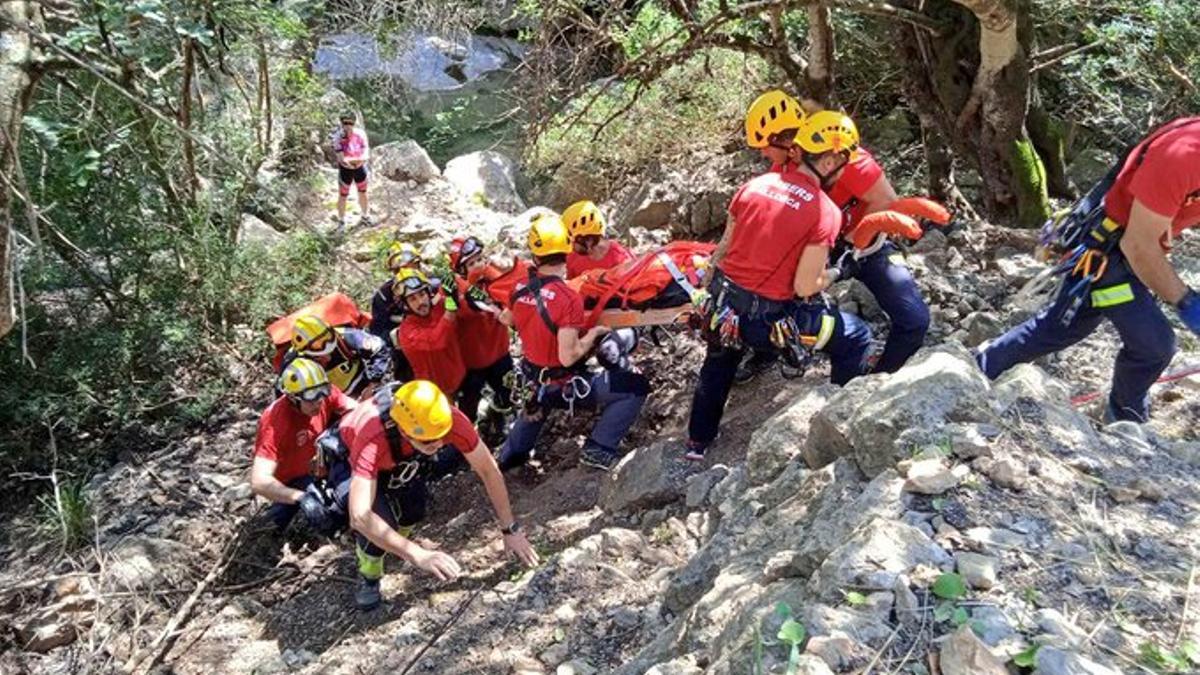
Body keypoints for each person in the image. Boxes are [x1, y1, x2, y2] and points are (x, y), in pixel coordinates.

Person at [976, 117, 1200, 422]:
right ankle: (1126, 420)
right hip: (1108, 255)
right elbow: (1139, 247)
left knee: (1058, 329)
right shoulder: (1183, 157)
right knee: (1155, 344)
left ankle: (978, 366)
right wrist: (1186, 302)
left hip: (1127, 248)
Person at [684, 111, 873, 461]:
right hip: (767, 324)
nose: (845, 172)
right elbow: (805, 287)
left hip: (723, 308)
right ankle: (837, 431)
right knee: (856, 335)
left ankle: (698, 442)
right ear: (830, 159)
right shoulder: (825, 212)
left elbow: (722, 253)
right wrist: (839, 273)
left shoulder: (752, 187)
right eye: (844, 164)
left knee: (719, 359)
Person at [737, 94, 931, 382]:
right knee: (773, 293)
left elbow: (887, 200)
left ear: (785, 139)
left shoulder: (850, 158)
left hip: (865, 245)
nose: (764, 153)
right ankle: (767, 350)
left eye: (766, 146)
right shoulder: (783, 168)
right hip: (819, 245)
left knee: (914, 320)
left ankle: (879, 376)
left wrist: (852, 240)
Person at [332, 380, 540, 609]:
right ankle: (369, 573)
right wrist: (417, 555)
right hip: (351, 458)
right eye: (430, 440)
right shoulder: (373, 437)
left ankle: (392, 546)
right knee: (380, 522)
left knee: (414, 509)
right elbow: (360, 516)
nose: (440, 444)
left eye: (442, 436)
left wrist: (509, 528)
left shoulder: (447, 420)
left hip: (397, 456)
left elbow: (488, 470)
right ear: (404, 430)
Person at [496, 214, 650, 471]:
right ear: (566, 253)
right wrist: (593, 334)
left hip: (532, 380)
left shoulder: (519, 287)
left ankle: (509, 457)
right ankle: (598, 448)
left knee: (535, 407)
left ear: (535, 256)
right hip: (561, 385)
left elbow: (506, 318)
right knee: (636, 387)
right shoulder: (568, 298)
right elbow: (568, 356)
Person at [251, 358, 357, 533]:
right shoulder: (275, 422)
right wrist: (300, 498)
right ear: (293, 397)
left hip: (321, 463)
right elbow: (259, 481)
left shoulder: (323, 395)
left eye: (323, 393)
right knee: (277, 527)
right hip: (292, 481)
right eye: (311, 398)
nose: (318, 402)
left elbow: (358, 411)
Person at [449, 237, 515, 421]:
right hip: (471, 364)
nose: (479, 265)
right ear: (461, 269)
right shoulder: (454, 289)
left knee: (507, 395)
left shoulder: (494, 278)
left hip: (499, 354)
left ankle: (495, 418)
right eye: (472, 263)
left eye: (480, 259)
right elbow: (468, 309)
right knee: (468, 406)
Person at [391, 268, 468, 399]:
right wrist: (450, 308)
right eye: (412, 299)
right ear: (405, 305)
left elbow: (460, 302)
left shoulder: (438, 307)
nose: (420, 302)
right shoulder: (407, 332)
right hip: (435, 394)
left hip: (461, 377)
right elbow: (437, 341)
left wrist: (460, 285)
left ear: (428, 293)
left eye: (422, 295)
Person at [283, 315, 390, 399]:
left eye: (331, 350)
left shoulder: (345, 336)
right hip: (327, 403)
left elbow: (380, 347)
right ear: (305, 352)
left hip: (365, 386)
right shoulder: (293, 366)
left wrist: (373, 384)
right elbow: (288, 395)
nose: (328, 357)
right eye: (319, 357)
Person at [368, 242, 424, 382]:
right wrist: (397, 336)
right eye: (399, 271)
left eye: (411, 268)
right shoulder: (383, 297)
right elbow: (377, 334)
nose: (406, 275)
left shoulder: (433, 285)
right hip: (405, 354)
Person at [562, 200, 634, 279]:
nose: (570, 245)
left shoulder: (620, 258)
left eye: (572, 241)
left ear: (588, 240)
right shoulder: (572, 257)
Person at [330, 111, 371, 230]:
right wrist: (350, 162)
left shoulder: (361, 134)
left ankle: (365, 216)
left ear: (354, 123)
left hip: (360, 167)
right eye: (345, 123)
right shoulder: (338, 136)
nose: (348, 125)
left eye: (350, 123)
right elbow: (340, 156)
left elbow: (365, 151)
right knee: (343, 195)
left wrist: (359, 161)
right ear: (342, 124)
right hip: (346, 169)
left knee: (363, 192)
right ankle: (341, 221)